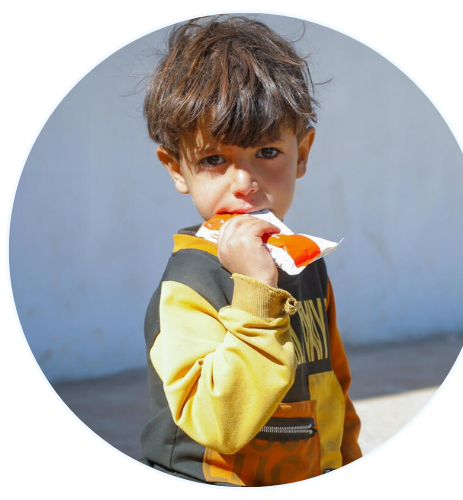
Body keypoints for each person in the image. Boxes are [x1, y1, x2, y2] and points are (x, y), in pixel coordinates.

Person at [140, 14, 362, 487]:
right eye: (214, 159)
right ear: (176, 168)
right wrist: (256, 294)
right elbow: (218, 423)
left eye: (266, 153)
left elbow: (332, 388)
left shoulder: (305, 264)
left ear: (302, 153)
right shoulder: (189, 284)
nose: (244, 183)